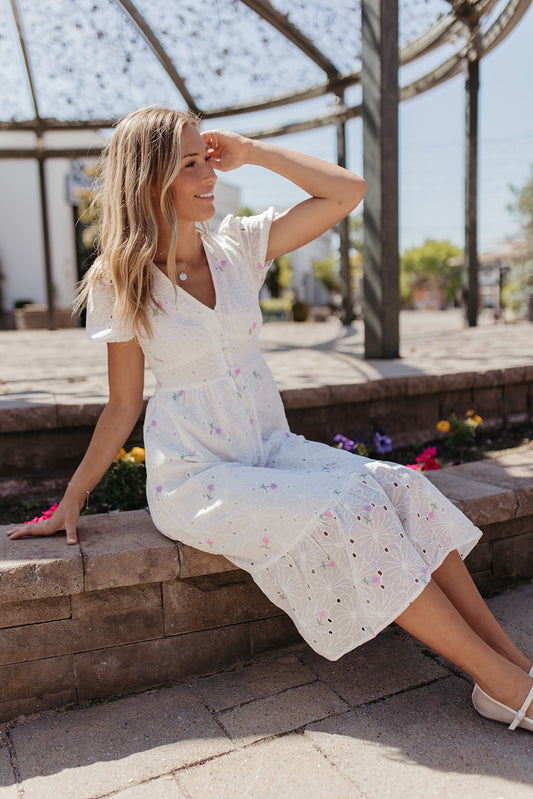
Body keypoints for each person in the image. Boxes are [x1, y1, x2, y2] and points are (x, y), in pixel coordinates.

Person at [6, 106, 532, 733]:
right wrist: (71, 501)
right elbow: (123, 404)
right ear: (148, 179)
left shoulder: (237, 246)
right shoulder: (123, 279)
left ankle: (514, 667)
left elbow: (347, 193)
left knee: (401, 486)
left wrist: (253, 150)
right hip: (198, 477)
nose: (210, 175)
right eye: (191, 164)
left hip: (269, 451)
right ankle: (500, 684)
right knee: (354, 508)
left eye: (210, 158)